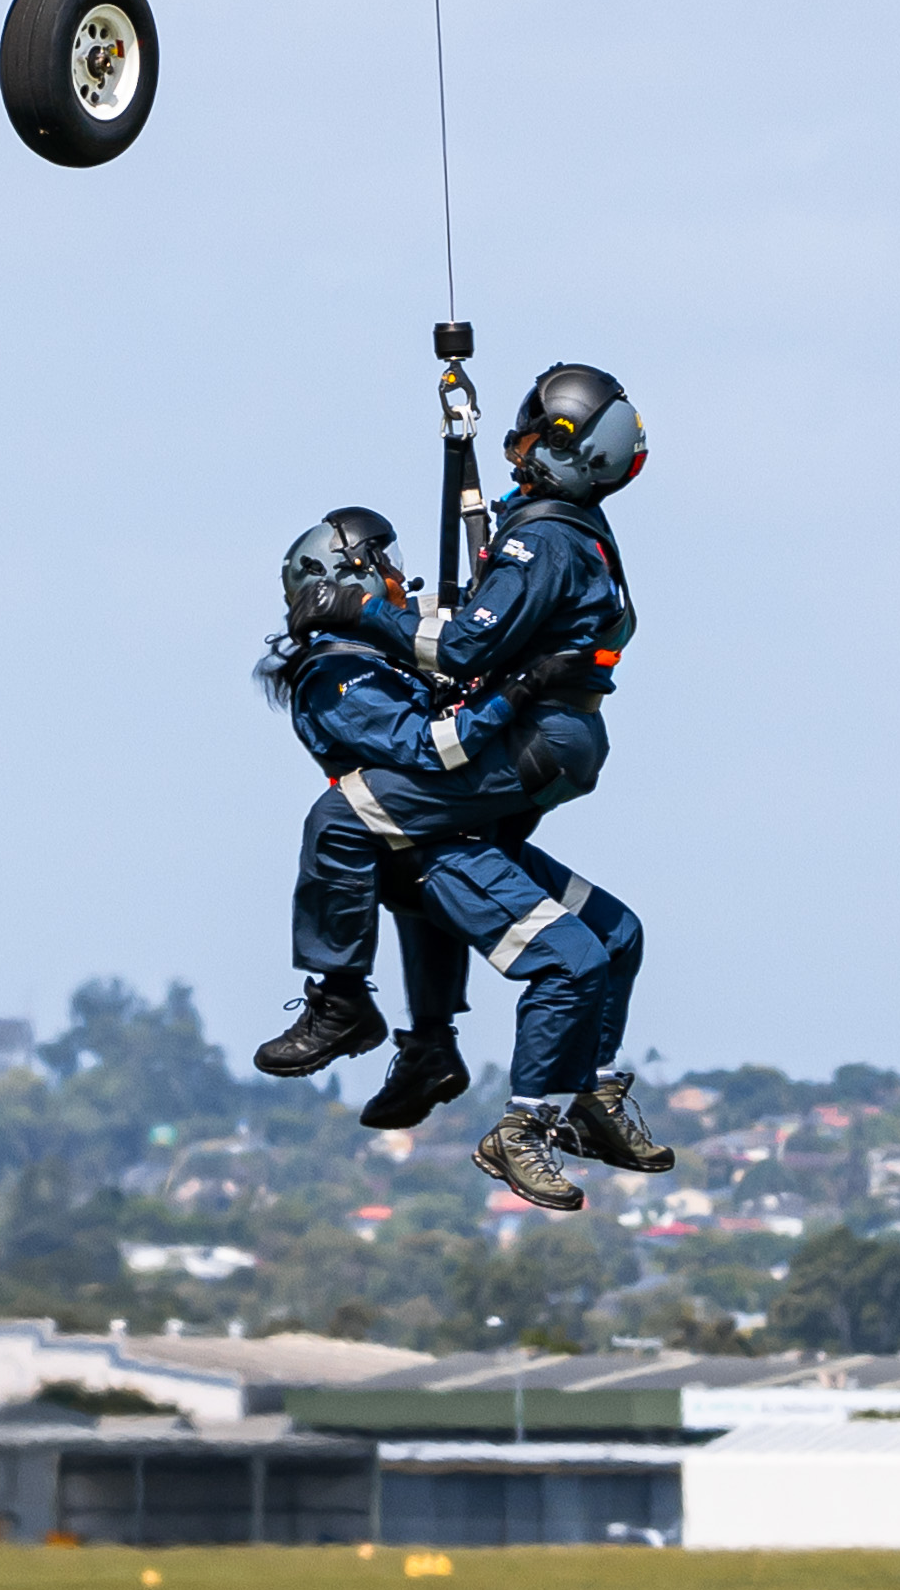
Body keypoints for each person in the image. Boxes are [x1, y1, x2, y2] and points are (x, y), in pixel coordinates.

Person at [419, 364, 682, 1208]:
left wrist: (393, 621)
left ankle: (585, 1104)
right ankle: (522, 1126)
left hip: (525, 759)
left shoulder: (549, 538)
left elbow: (464, 645)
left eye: (535, 431)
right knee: (572, 958)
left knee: (619, 937)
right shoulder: (561, 534)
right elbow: (466, 648)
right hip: (456, 827)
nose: (520, 441)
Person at [245, 512, 488, 1129]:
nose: (399, 574)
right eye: (386, 559)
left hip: (424, 824)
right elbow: (413, 742)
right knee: (345, 828)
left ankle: (432, 1040)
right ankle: (343, 997)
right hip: (398, 822)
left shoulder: (381, 652)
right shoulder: (338, 668)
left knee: (423, 880)